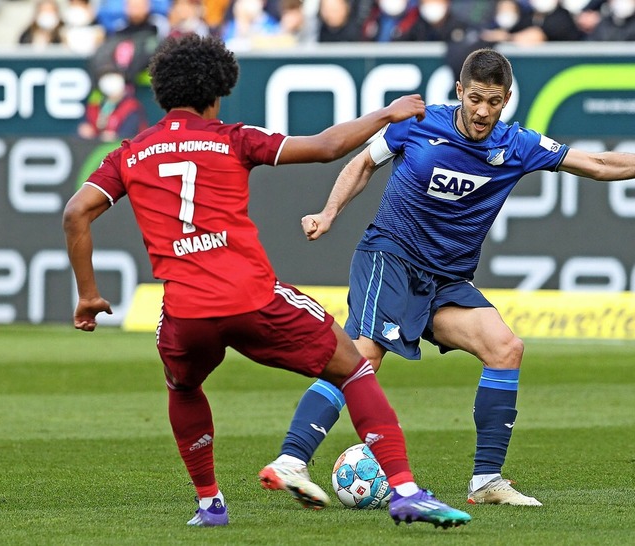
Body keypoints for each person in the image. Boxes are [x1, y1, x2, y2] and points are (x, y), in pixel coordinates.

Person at [62, 34, 471, 529]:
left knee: (183, 386)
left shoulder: (129, 153)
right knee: (355, 368)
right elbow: (325, 147)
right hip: (252, 299)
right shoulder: (231, 137)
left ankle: (210, 504)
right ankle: (405, 491)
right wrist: (387, 114)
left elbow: (76, 212)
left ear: (162, 91)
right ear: (217, 91)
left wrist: (87, 294)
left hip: (186, 313)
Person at [260, 47, 635, 508]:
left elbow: (597, 165)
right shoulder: (418, 124)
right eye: (475, 98)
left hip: (447, 279)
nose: (483, 111)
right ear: (459, 91)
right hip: (390, 257)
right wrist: (328, 212)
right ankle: (291, 460)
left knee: (505, 349)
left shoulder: (516, 145)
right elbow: (362, 164)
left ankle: (487, 481)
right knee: (362, 359)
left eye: (494, 101)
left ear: (507, 99)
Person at [77, 67, 148, 141]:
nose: (111, 84)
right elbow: (84, 126)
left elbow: (130, 132)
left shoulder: (132, 107)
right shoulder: (95, 106)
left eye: (114, 80)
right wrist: (88, 131)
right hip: (96, 148)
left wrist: (116, 136)